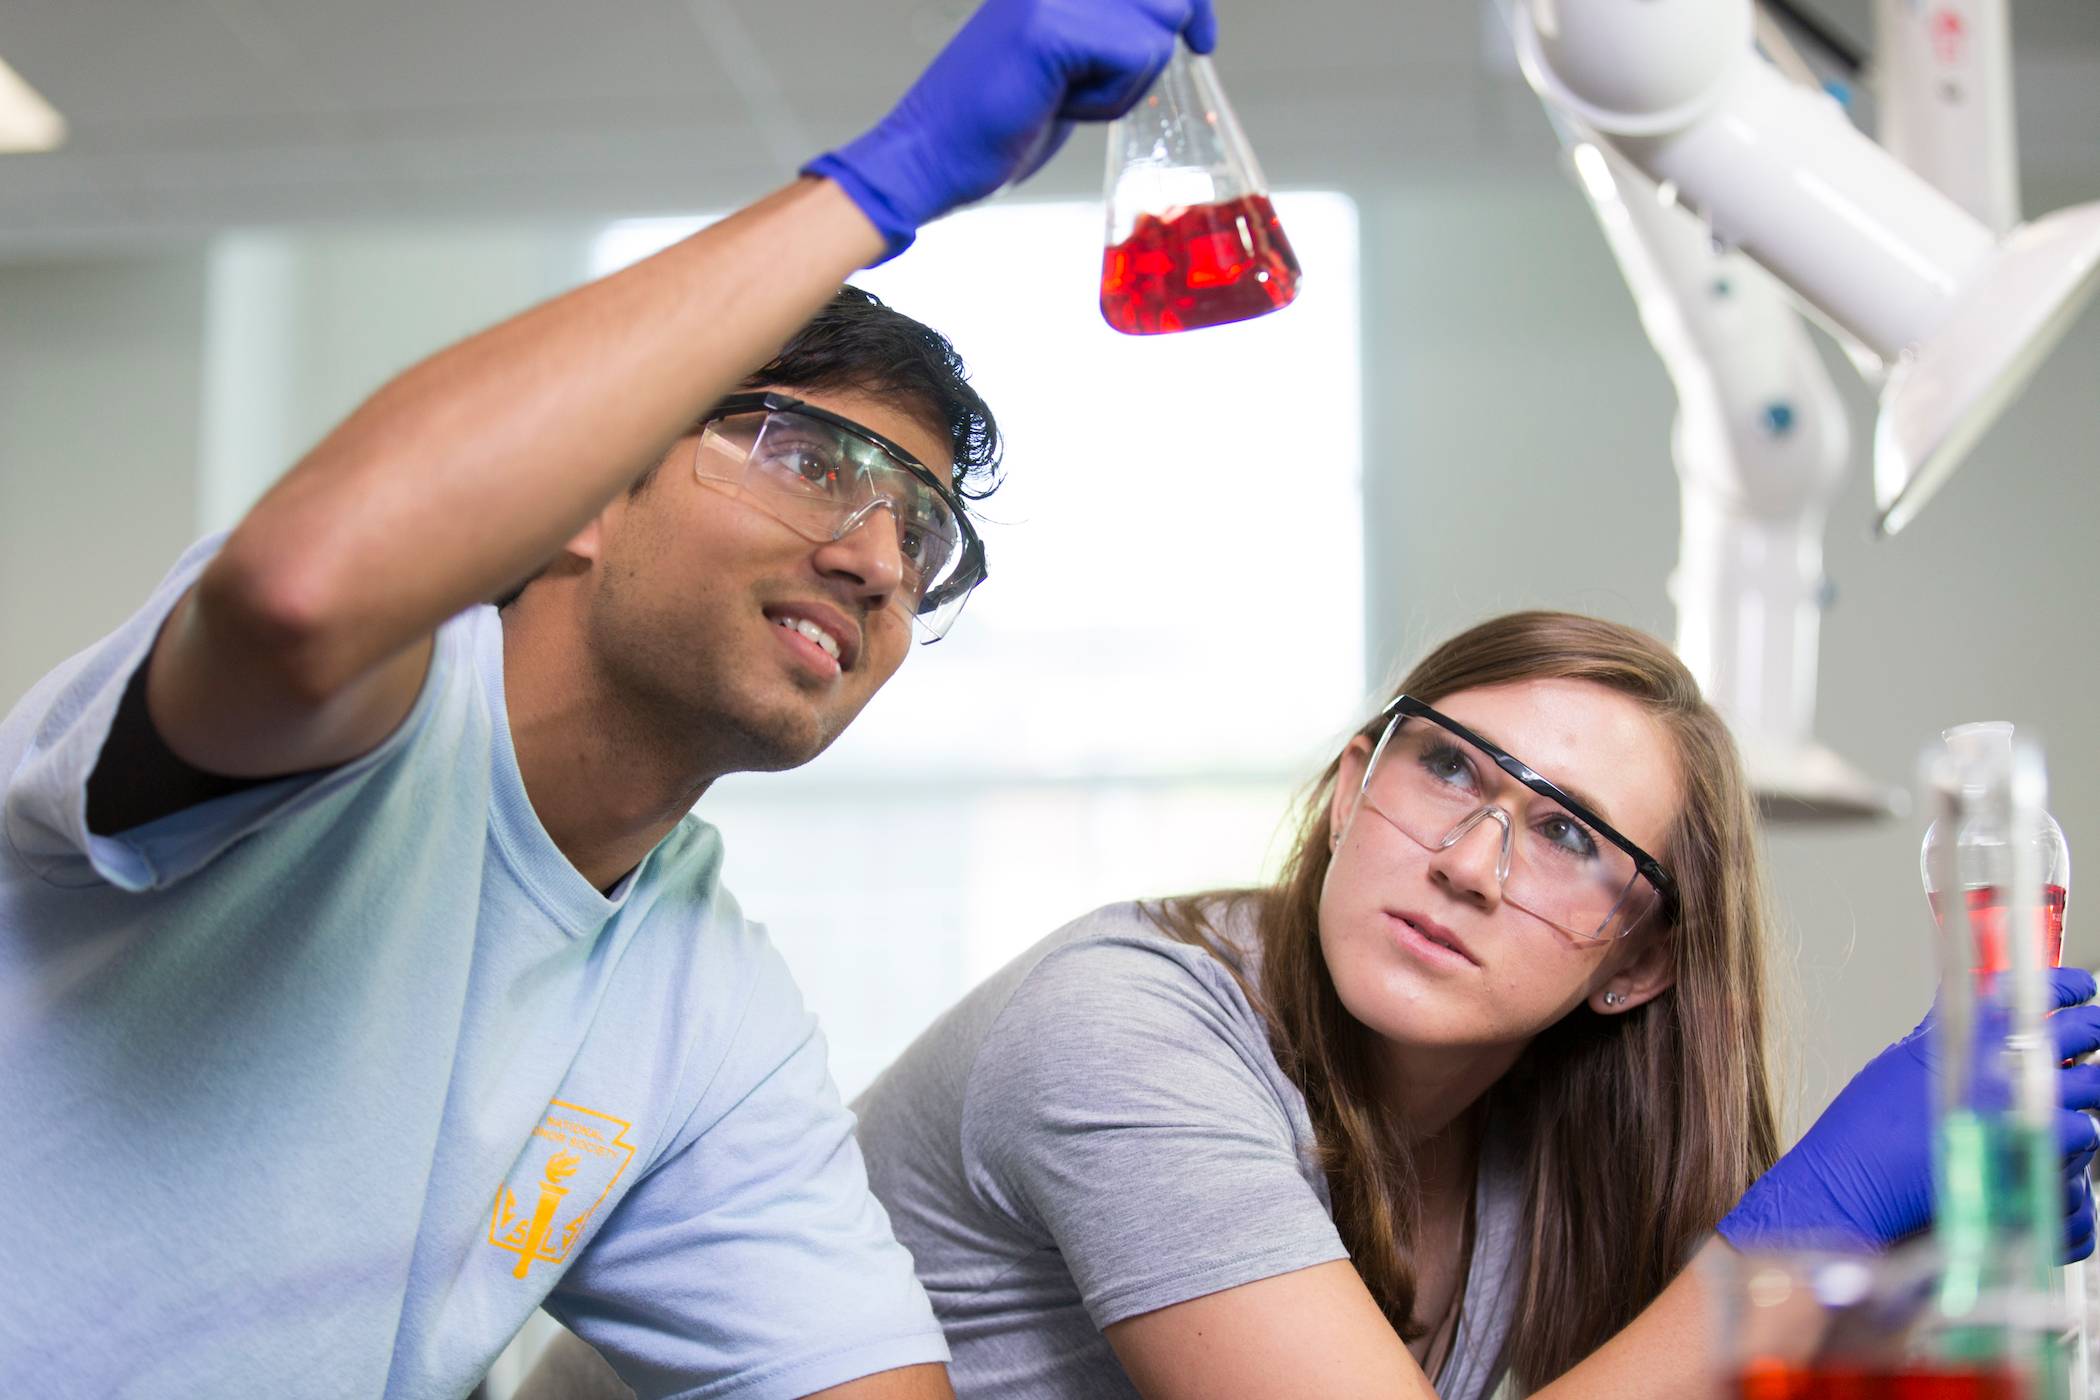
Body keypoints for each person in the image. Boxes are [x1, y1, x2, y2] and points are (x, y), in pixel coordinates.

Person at [0, 1, 1217, 1395]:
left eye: (922, 530)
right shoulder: (376, 728)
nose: (878, 558)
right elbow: (302, 598)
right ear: (589, 493)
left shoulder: (703, 1006)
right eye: (807, 458)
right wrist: (880, 189)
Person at [835, 610, 2100, 1398]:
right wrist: (1813, 1221)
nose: (1467, 862)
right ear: (1349, 788)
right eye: (1446, 767)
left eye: (1567, 835)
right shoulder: (1121, 1030)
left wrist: (1917, 1272)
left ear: (1638, 964)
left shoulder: (1535, 1145)